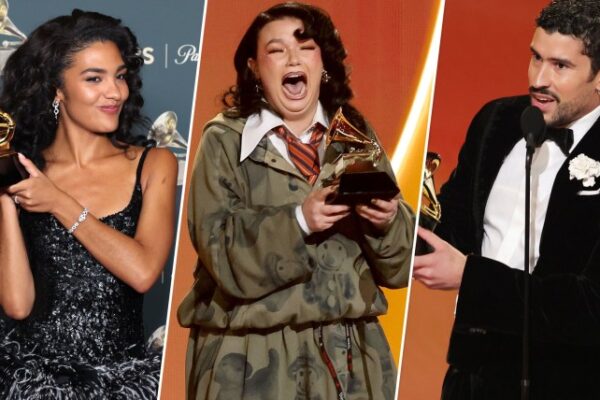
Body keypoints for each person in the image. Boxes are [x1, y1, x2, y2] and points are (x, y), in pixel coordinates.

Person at [177, 2, 414, 399]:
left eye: (306, 47)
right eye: (276, 50)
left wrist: (386, 221)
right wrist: (299, 221)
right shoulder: (224, 140)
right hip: (249, 358)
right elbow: (219, 251)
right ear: (254, 67)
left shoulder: (354, 134)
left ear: (323, 63)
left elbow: (399, 268)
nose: (293, 59)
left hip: (350, 358)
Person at [413, 0, 600, 398]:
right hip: (472, 375)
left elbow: (591, 304)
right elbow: (452, 230)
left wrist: (471, 278)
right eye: (536, 58)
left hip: (565, 383)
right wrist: (393, 220)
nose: (539, 79)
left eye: (560, 66)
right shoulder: (496, 121)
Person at [0, 10, 177, 398]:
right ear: (57, 89)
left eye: (120, 76)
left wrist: (58, 202)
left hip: (123, 383)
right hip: (35, 385)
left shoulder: (153, 164)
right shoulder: (26, 171)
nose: (115, 92)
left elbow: (143, 271)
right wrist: (5, 197)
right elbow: (17, 305)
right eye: (94, 78)